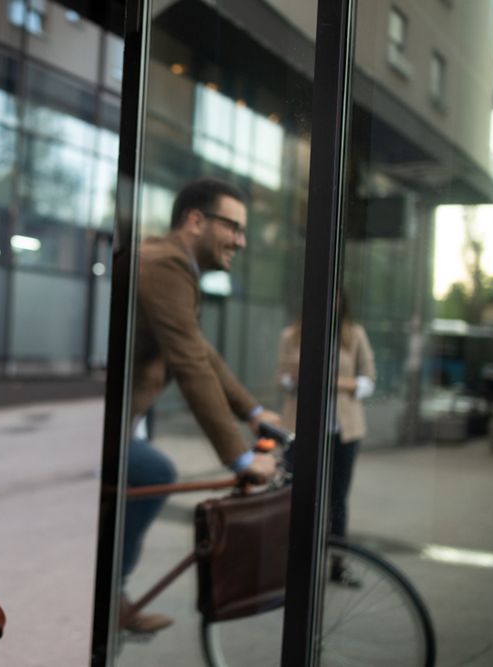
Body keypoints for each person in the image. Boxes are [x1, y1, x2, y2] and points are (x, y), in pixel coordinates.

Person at [120, 178, 281, 633]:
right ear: (195, 220)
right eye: (234, 227)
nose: (242, 241)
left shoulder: (173, 266)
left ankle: (112, 594)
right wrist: (241, 458)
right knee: (153, 472)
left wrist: (253, 413)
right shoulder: (165, 264)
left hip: (121, 423)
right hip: (100, 429)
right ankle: (111, 596)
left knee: (147, 473)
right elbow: (190, 364)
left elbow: (201, 351)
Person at [277, 292, 375, 585]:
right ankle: (289, 562)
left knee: (337, 500)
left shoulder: (355, 335)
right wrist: (297, 379)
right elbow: (281, 377)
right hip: (301, 428)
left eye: (334, 299)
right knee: (293, 494)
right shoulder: (292, 335)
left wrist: (335, 382)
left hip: (343, 432)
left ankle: (338, 564)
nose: (328, 303)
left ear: (342, 303)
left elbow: (368, 381)